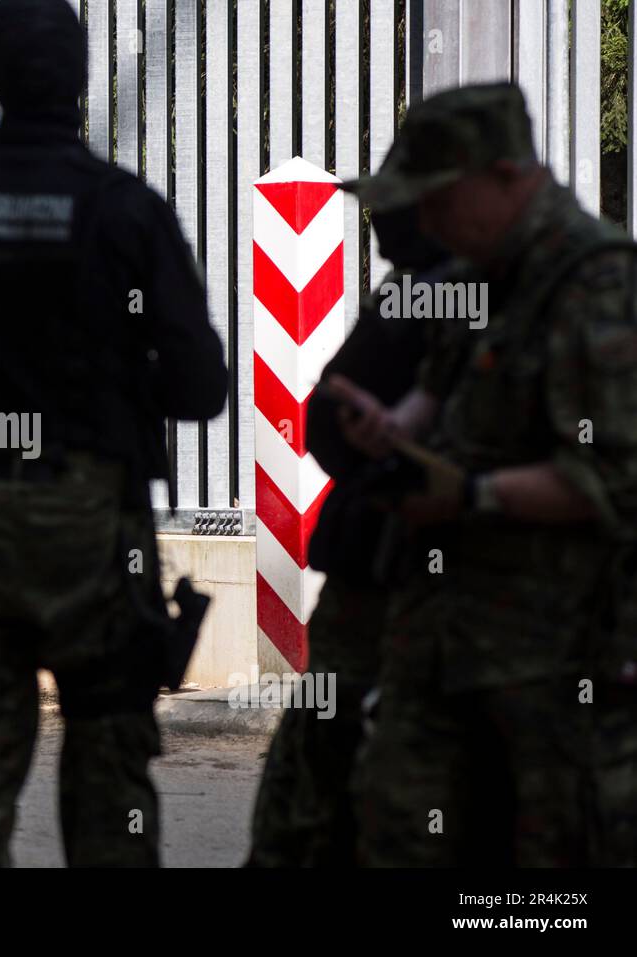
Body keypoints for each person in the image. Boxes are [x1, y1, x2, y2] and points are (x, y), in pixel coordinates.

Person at [0, 0, 227, 867]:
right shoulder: (128, 211)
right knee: (109, 779)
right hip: (94, 525)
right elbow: (202, 387)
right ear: (83, 77)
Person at [333, 82, 637, 866]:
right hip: (440, 641)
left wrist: (471, 495)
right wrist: (389, 430)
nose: (422, 225)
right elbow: (437, 399)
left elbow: (612, 477)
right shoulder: (473, 279)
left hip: (552, 662)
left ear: (506, 175)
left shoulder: (596, 283)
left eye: (437, 200)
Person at [246, 201, 455, 866]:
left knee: (326, 774)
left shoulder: (434, 288)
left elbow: (328, 421)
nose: (384, 216)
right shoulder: (445, 286)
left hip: (392, 573)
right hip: (401, 572)